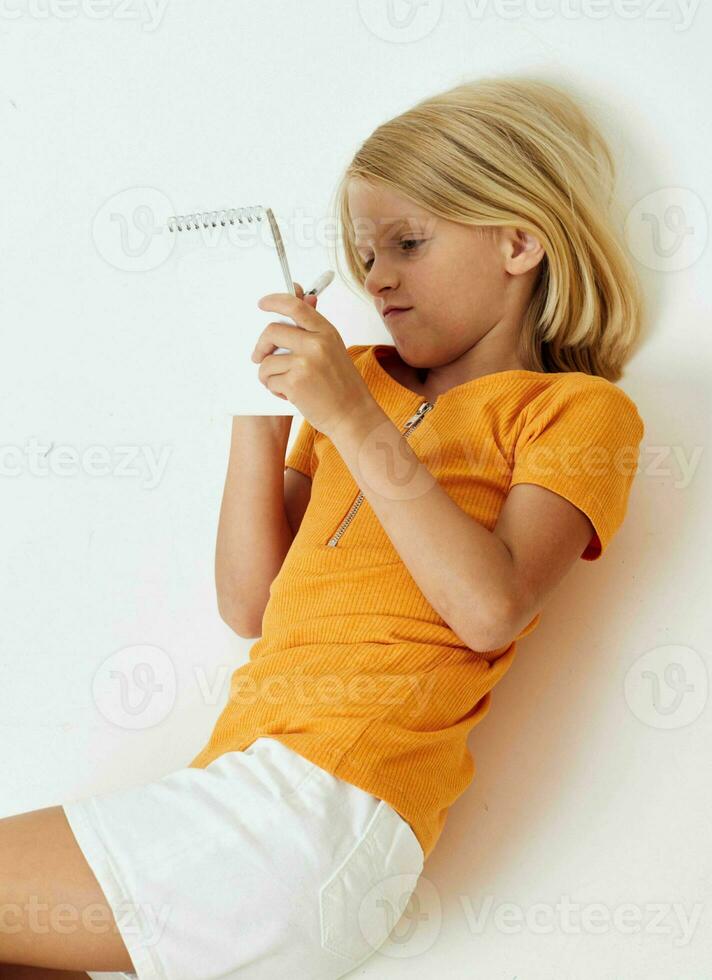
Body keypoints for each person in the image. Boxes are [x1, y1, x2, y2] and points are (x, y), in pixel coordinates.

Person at [0, 76, 645, 978]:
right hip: (244, 784)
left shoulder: (578, 411)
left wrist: (348, 418)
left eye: (407, 243)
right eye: (363, 253)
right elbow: (249, 601)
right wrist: (261, 406)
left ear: (520, 242)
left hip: (327, 805)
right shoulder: (362, 387)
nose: (376, 276)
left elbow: (491, 609)